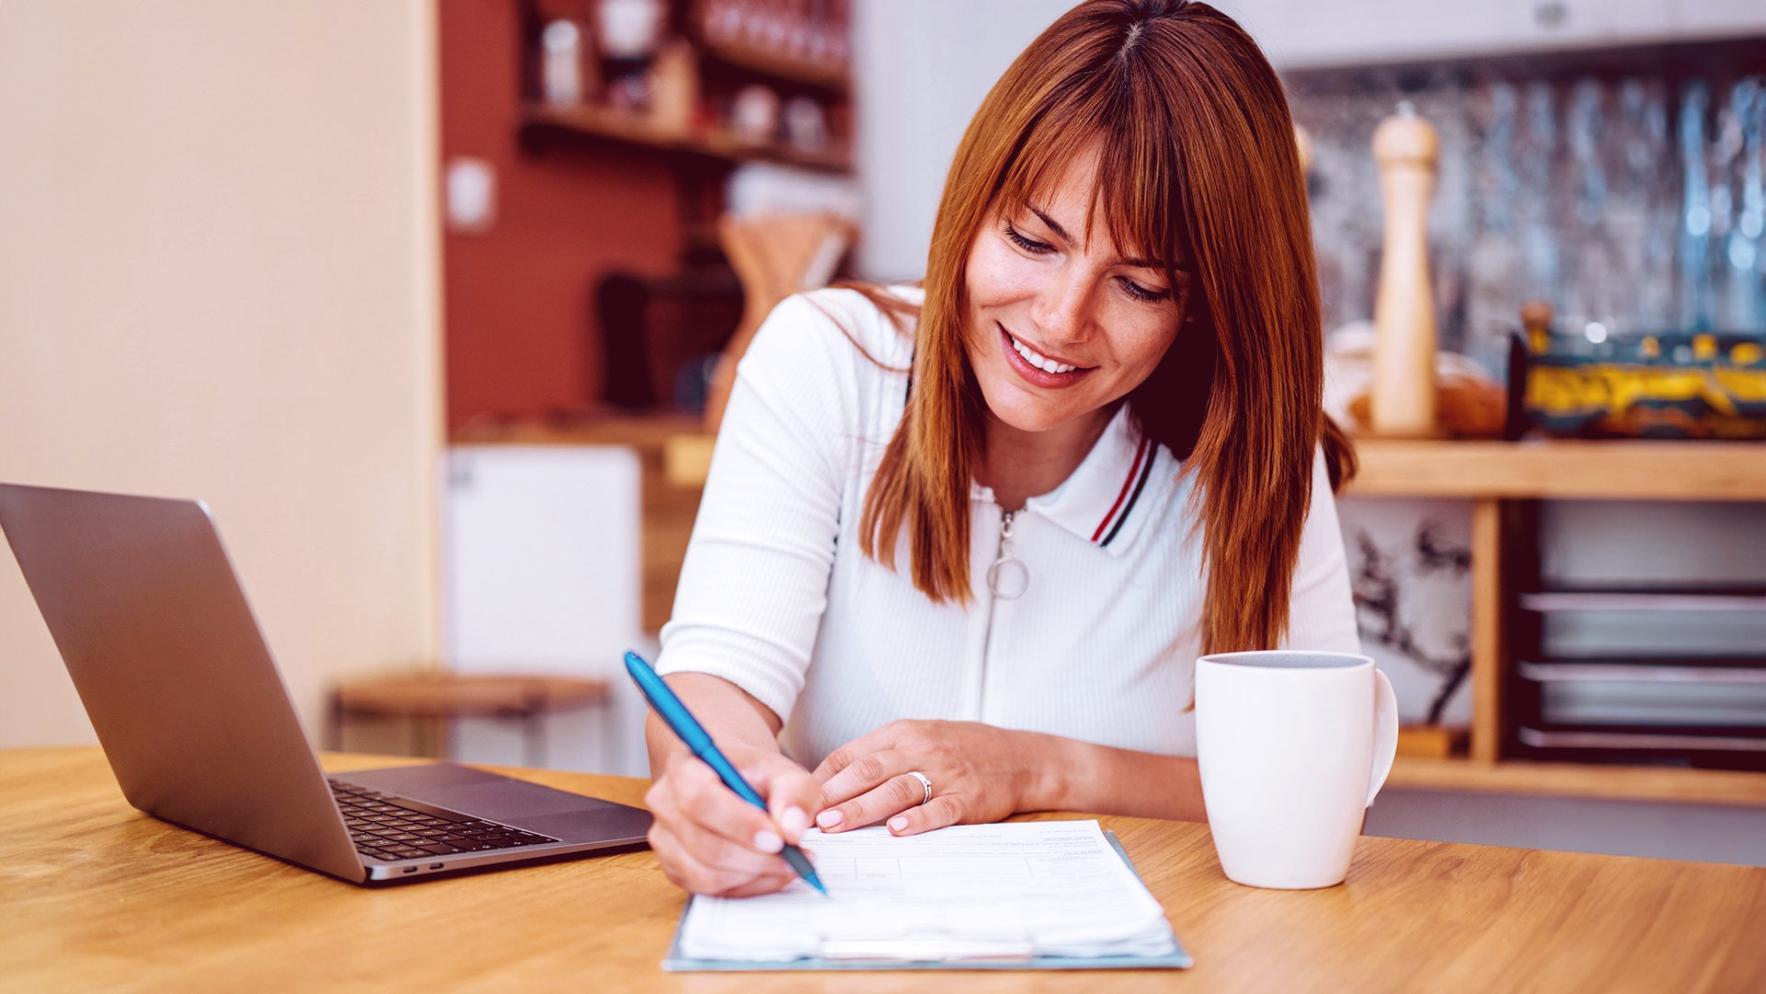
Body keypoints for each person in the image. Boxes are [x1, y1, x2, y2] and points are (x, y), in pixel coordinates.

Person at [643, 0, 1360, 897]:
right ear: (970, 208)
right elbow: (719, 676)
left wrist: (1039, 768)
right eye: (1032, 240)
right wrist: (718, 783)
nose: (1060, 321)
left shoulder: (1253, 457)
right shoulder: (826, 359)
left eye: (1138, 284)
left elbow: (1320, 788)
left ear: (1205, 305)